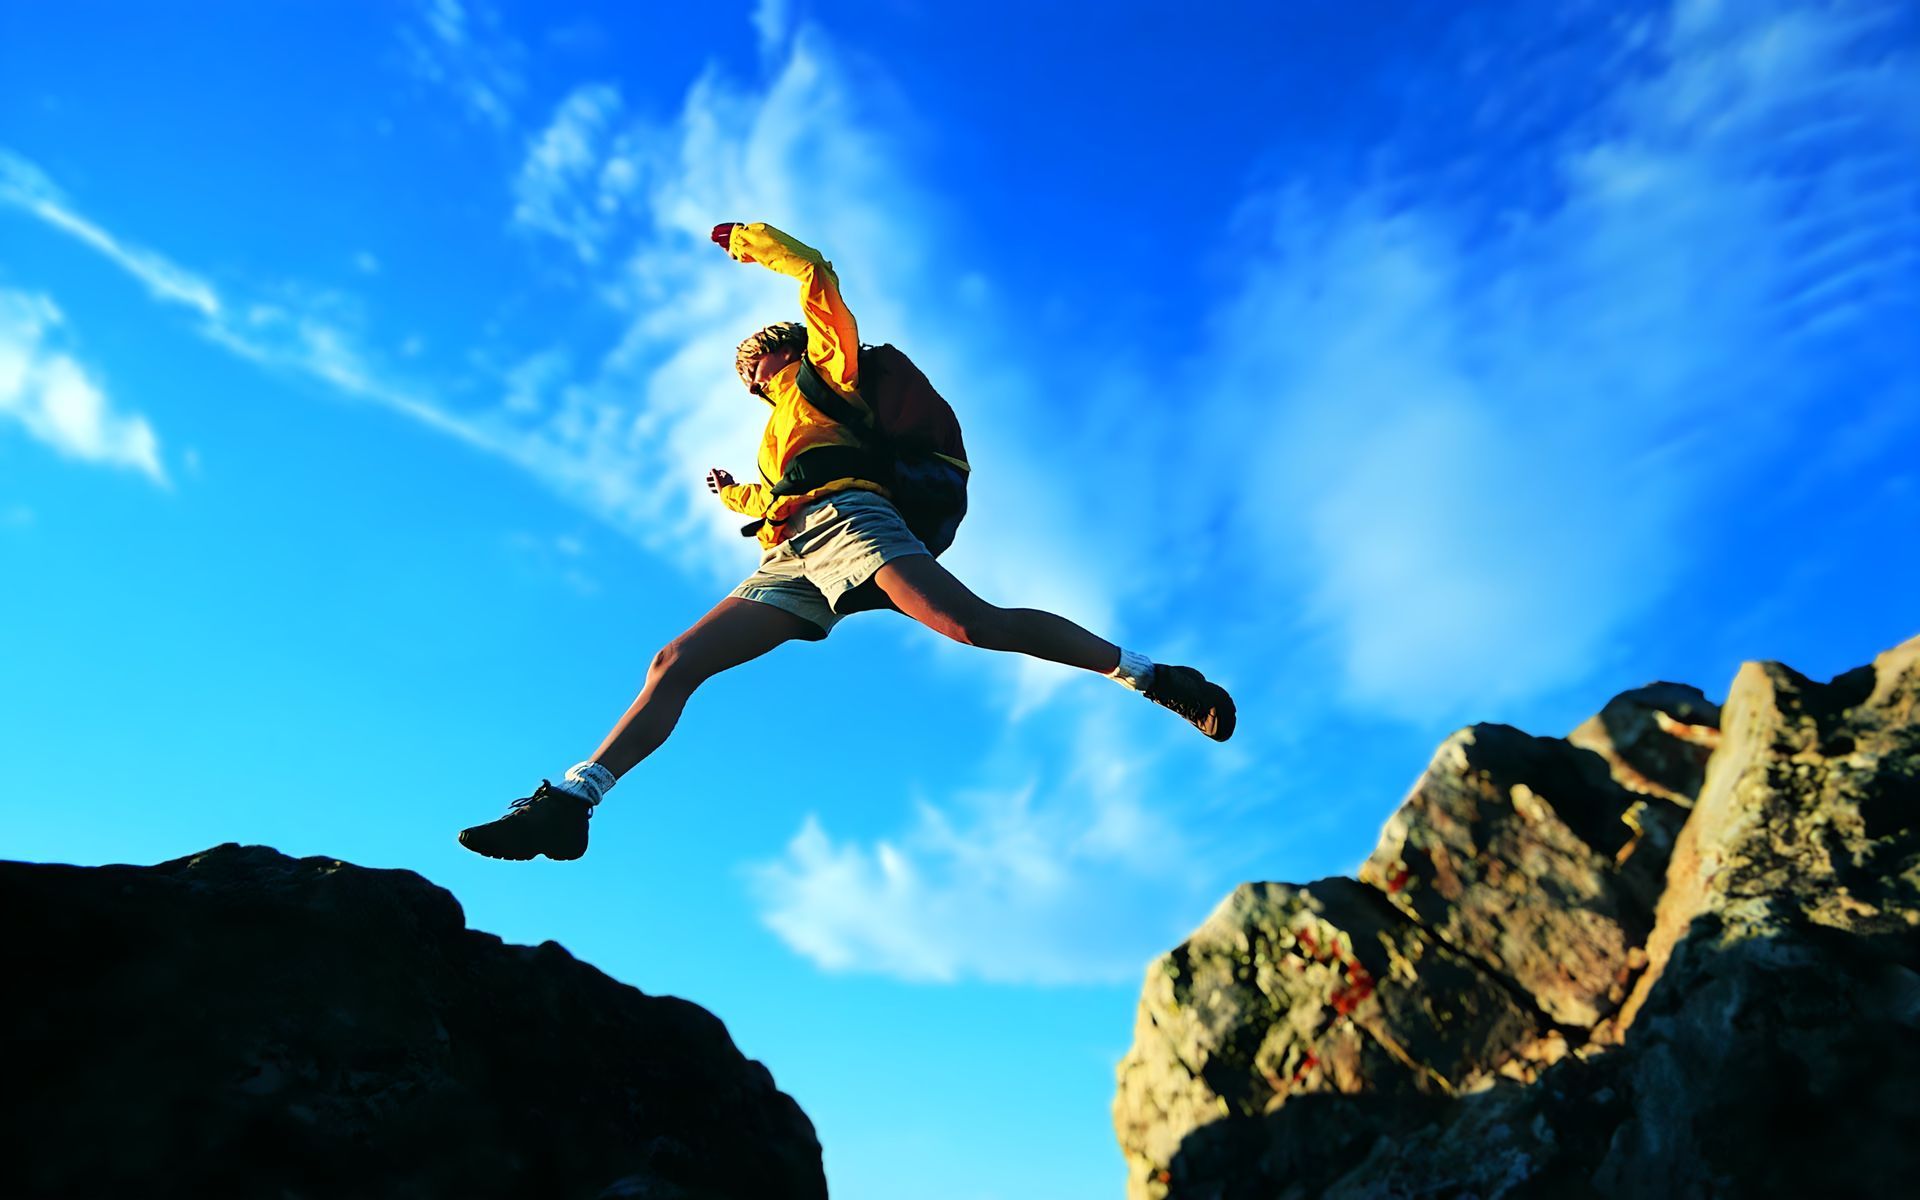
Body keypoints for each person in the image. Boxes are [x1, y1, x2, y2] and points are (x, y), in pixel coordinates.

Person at [457, 221, 1236, 862]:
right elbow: (783, 491)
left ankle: (1153, 676)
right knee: (674, 662)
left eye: (755, 367)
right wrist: (741, 496)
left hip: (854, 522)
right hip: (791, 552)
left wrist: (753, 241)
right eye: (748, 380)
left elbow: (818, 277)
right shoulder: (777, 428)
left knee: (976, 626)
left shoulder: (828, 365)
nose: (752, 381)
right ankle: (571, 802)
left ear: (781, 351)